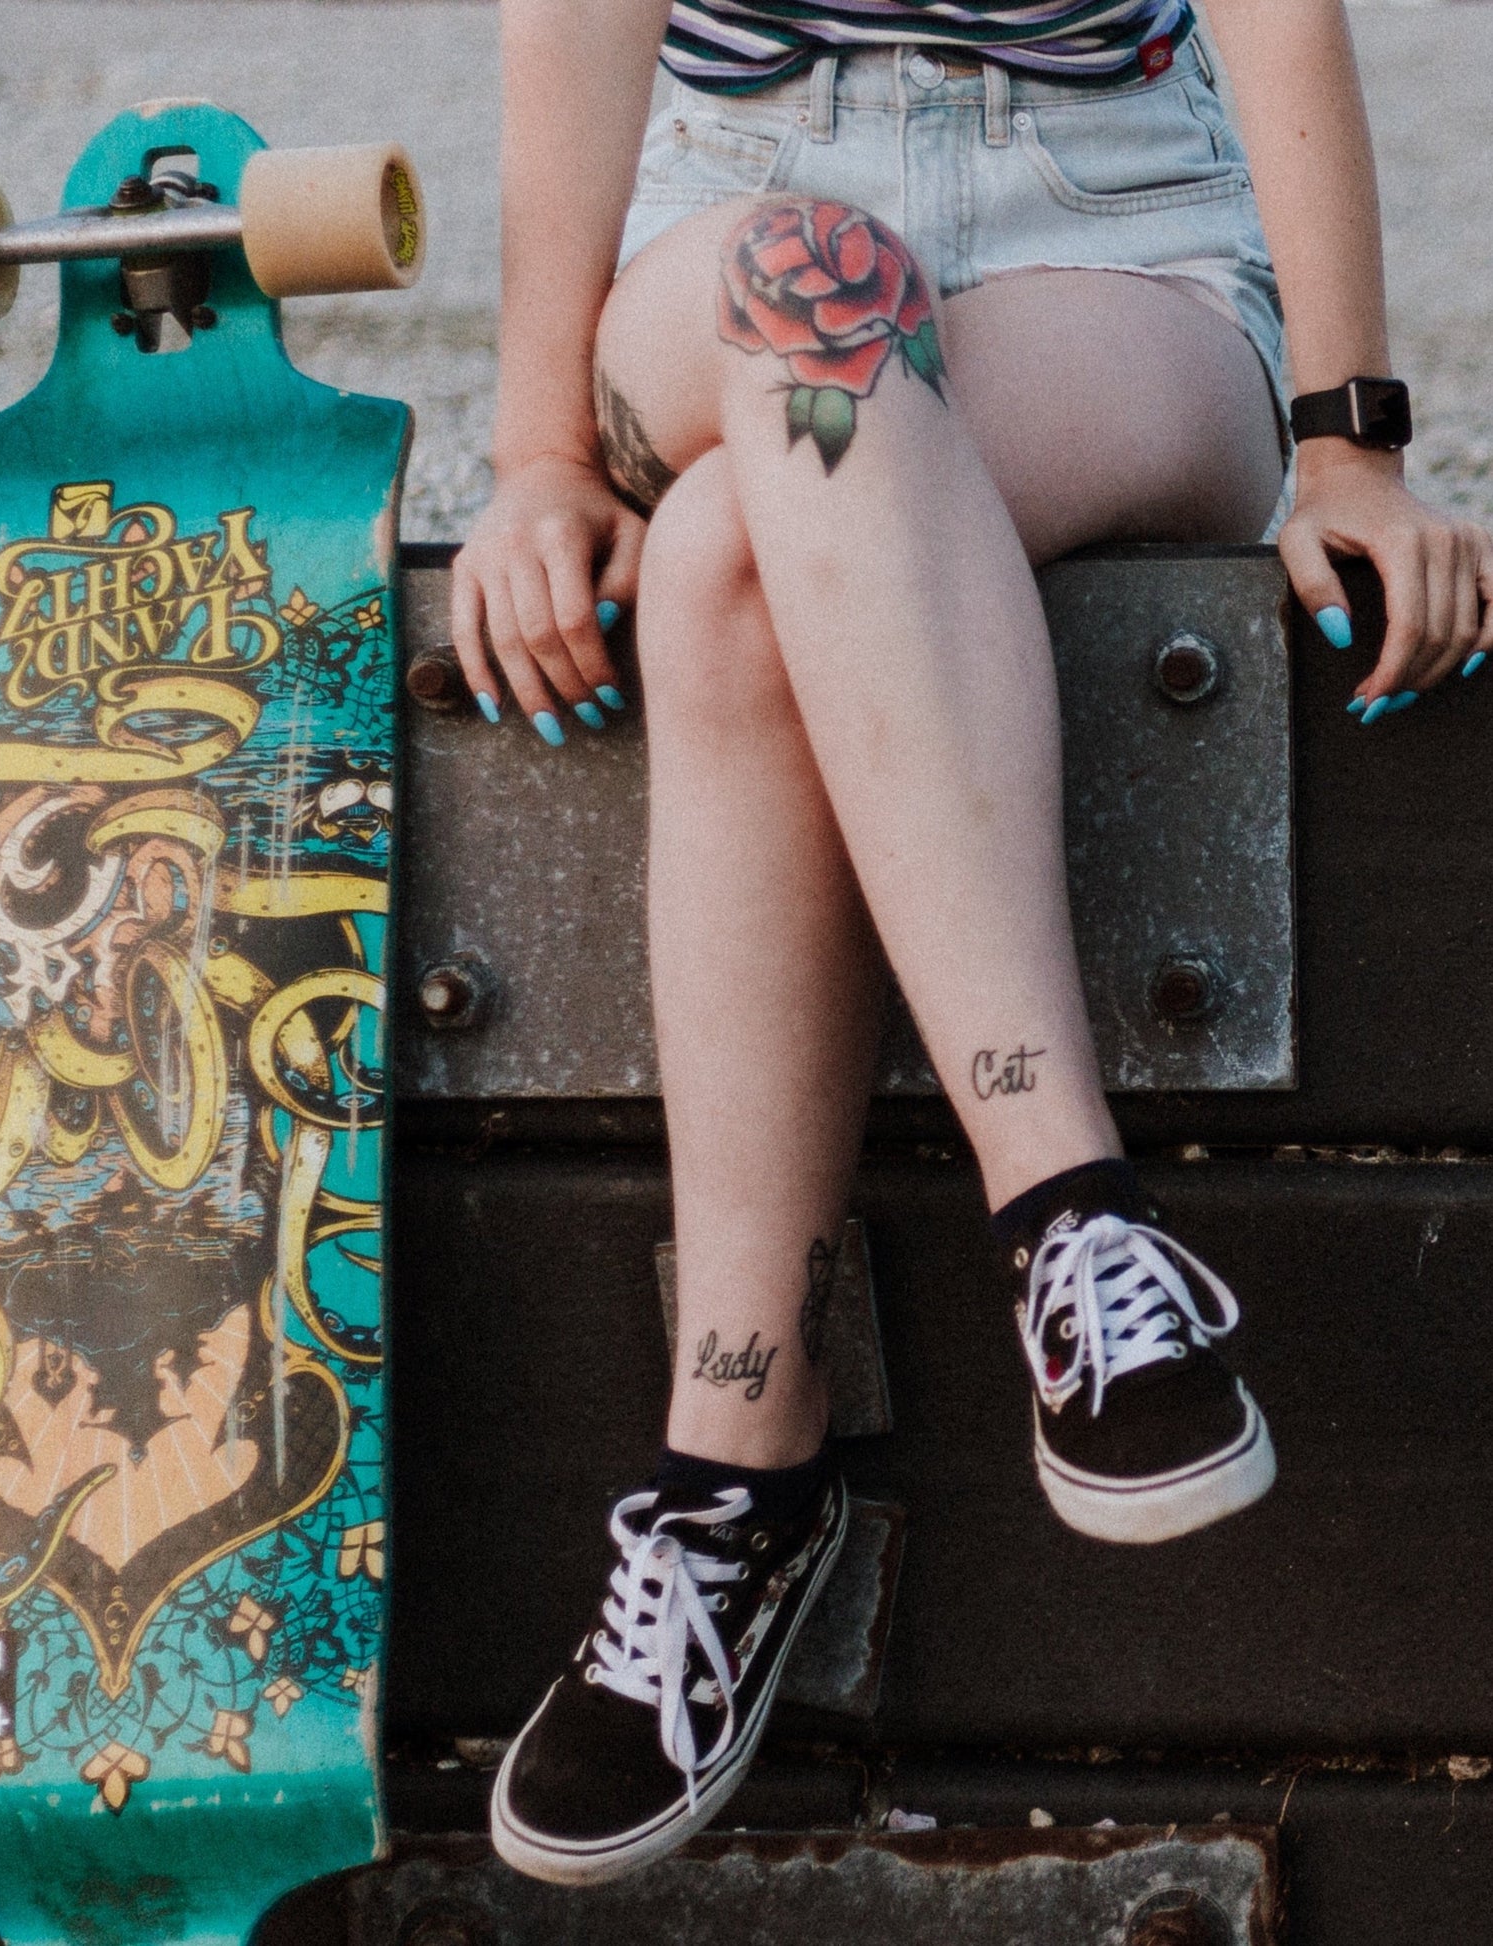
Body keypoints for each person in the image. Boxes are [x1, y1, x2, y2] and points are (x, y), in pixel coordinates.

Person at [450, 0, 1493, 1888]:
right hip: (733, 214)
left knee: (724, 576)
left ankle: (737, 1458)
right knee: (806, 291)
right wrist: (536, 448)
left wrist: (1349, 441)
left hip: (1109, 234)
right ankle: (1070, 1218)